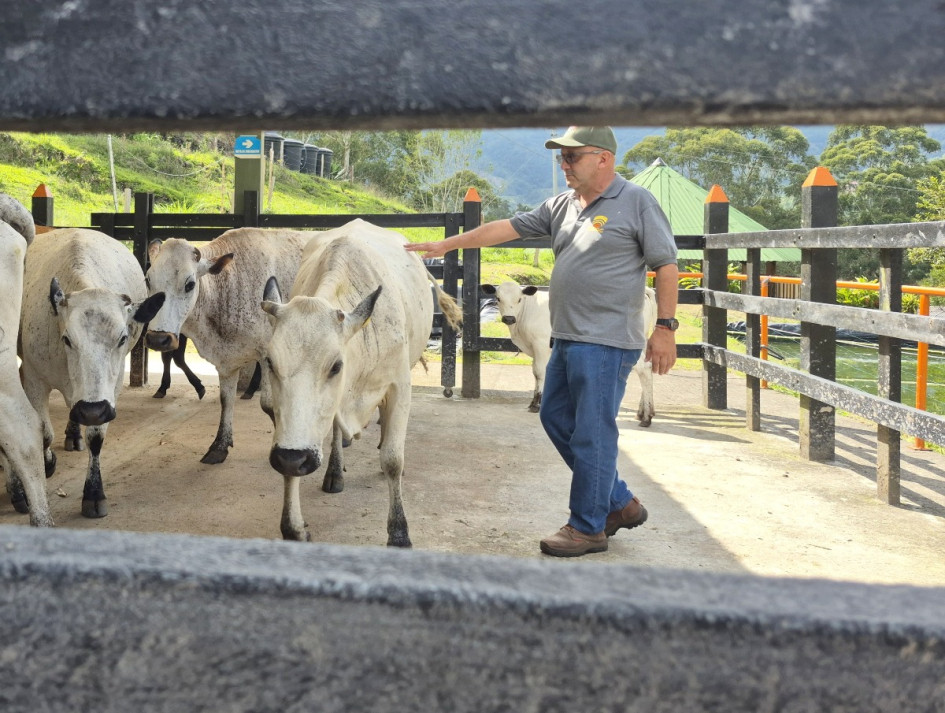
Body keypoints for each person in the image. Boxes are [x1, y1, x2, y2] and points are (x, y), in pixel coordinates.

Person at [406, 126, 678, 557]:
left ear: (604, 158)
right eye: (561, 159)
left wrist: (665, 328)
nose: (564, 165)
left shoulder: (637, 202)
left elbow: (666, 265)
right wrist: (447, 243)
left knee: (592, 434)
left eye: (572, 157)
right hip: (566, 336)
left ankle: (588, 527)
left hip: (607, 341)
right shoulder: (562, 205)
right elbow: (504, 229)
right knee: (555, 420)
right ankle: (620, 503)